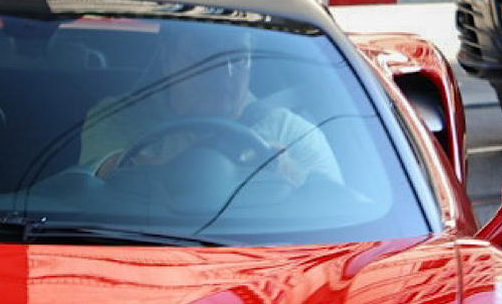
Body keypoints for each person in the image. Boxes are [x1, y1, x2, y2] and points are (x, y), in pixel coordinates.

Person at [79, 21, 342, 189]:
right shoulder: (118, 119)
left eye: (238, 57)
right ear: (167, 57)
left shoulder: (294, 135)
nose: (225, 73)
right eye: (205, 56)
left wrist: (291, 181)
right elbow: (95, 185)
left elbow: (335, 210)